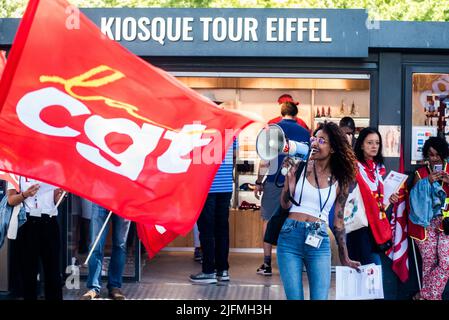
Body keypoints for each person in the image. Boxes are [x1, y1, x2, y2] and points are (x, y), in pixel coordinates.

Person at [277, 122, 360, 300]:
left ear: (332, 149)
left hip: (319, 240)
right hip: (290, 236)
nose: (314, 143)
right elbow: (284, 205)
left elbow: (338, 222)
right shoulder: (299, 167)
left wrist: (344, 256)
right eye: (314, 139)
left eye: (322, 141)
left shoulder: (341, 180)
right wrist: (288, 184)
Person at [254, 101, 310, 276]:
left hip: (274, 180)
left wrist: (258, 181)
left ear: (281, 112)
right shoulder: (305, 132)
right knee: (296, 220)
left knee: (268, 219)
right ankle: (297, 262)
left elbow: (265, 160)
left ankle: (267, 263)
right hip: (298, 182)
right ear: (296, 114)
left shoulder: (273, 129)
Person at [189, 96, 236, 284]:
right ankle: (223, 271)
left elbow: (192, 157)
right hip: (225, 186)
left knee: (206, 230)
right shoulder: (231, 128)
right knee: (222, 229)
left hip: (206, 187)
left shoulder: (198, 129)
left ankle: (208, 270)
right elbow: (233, 157)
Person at [7, 177, 65, 300]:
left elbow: (56, 200)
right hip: (27, 221)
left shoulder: (52, 169)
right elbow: (11, 200)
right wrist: (25, 194)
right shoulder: (16, 170)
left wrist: (62, 194)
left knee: (53, 272)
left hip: (49, 220)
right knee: (28, 272)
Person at [349, 127, 399, 267]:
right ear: (361, 145)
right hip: (359, 223)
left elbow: (377, 199)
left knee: (370, 269)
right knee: (369, 268)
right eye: (370, 142)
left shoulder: (377, 168)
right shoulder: (354, 166)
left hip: (374, 223)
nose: (374, 146)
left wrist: (388, 198)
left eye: (377, 143)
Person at [409, 136, 449, 300]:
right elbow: (413, 199)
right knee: (429, 263)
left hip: (446, 223)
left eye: (437, 154)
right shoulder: (421, 173)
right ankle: (432, 297)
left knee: (446, 263)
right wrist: (426, 182)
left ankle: (423, 294)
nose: (434, 158)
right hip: (425, 224)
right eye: (431, 154)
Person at [80, 201, 131, 300]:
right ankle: (94, 287)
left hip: (124, 200)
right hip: (101, 198)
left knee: (120, 245)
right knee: (96, 245)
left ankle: (115, 286)